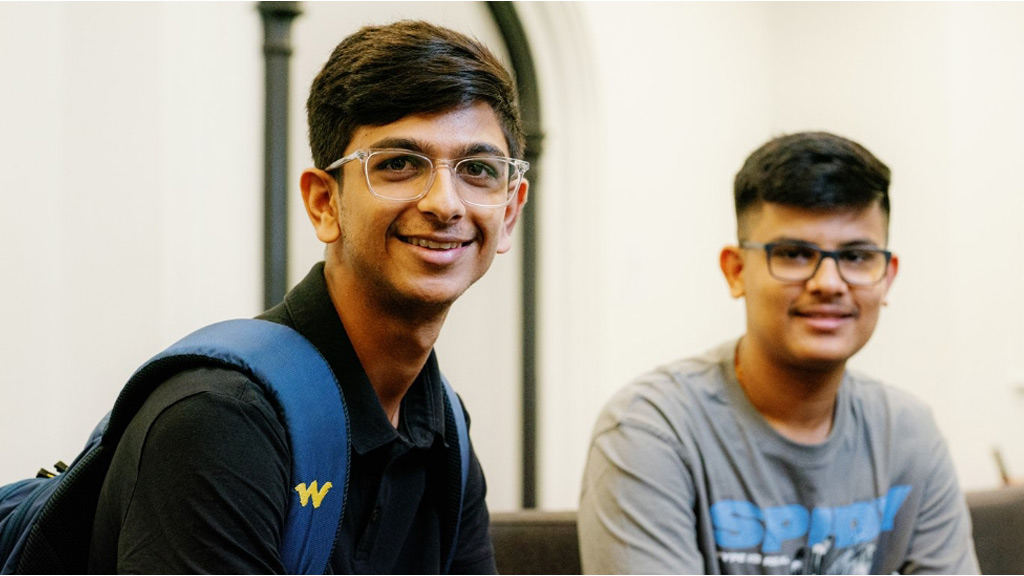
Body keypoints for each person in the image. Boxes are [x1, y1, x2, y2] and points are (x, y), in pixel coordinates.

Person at [88, 20, 528, 574]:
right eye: (398, 164)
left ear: (509, 211)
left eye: (479, 170)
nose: (445, 202)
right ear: (324, 203)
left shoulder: (445, 429)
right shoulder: (220, 420)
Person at [578, 132, 978, 574]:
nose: (828, 282)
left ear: (886, 277)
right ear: (736, 271)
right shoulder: (651, 429)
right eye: (793, 254)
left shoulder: (909, 435)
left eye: (858, 256)